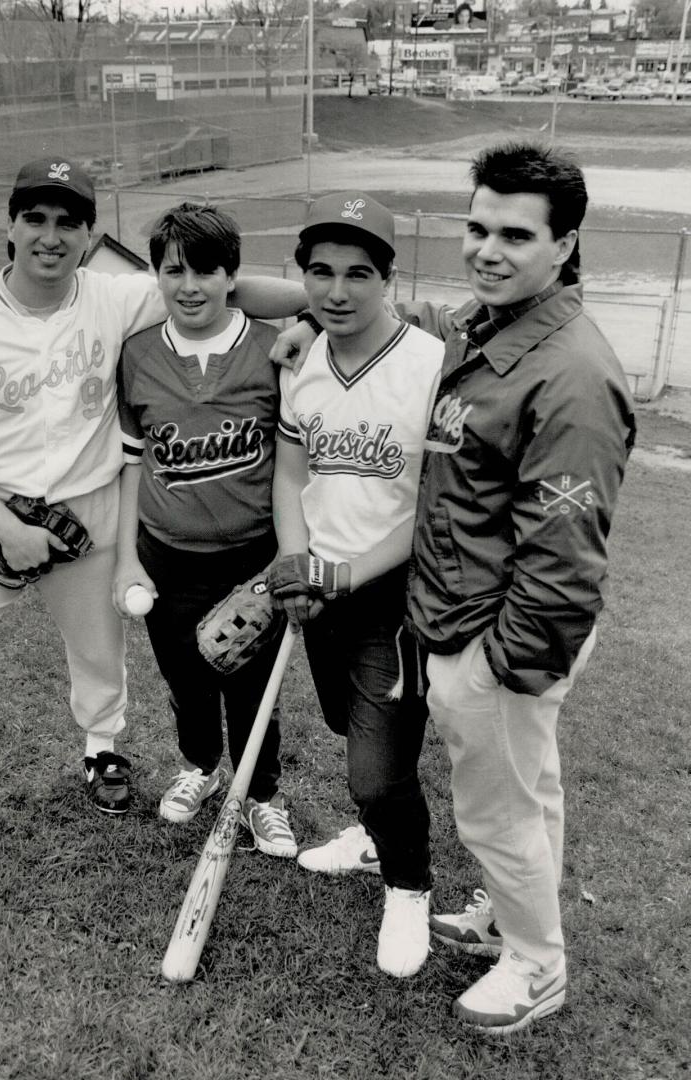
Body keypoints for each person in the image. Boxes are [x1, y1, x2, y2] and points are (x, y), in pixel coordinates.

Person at [272, 143, 636, 1032]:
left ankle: (536, 969)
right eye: (478, 228)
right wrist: (303, 319)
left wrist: (496, 665)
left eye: (517, 234)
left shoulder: (574, 374)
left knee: (496, 814)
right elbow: (400, 311)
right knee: (530, 796)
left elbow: (564, 555)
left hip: (500, 635)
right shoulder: (487, 326)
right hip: (463, 617)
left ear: (566, 245)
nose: (489, 249)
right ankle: (510, 918)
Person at [0, 157, 309, 853]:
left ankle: (103, 751)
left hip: (91, 515)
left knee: (99, 654)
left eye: (68, 222)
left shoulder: (116, 297)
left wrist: (312, 314)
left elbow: (225, 285)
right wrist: (7, 529)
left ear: (87, 233)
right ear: (9, 226)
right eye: (34, 219)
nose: (50, 235)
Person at [266, 192, 444, 977]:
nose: (337, 292)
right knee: (347, 723)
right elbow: (291, 469)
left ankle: (408, 888)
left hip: (391, 594)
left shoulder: (430, 366)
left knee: (377, 771)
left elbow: (436, 503)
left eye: (359, 274)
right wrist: (298, 559)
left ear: (388, 278)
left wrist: (340, 573)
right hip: (320, 587)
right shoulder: (301, 362)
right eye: (321, 273)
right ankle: (374, 841)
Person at [113, 202, 297, 858]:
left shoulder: (274, 347)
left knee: (251, 685)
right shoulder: (136, 354)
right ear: (156, 277)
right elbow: (133, 463)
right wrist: (128, 561)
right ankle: (201, 766)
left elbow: (294, 464)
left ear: (232, 277)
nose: (189, 286)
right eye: (173, 271)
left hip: (252, 555)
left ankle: (261, 793)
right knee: (187, 678)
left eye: (207, 271)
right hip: (166, 554)